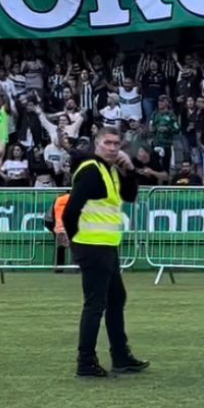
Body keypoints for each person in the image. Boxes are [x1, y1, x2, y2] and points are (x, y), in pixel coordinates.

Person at [62, 127, 149, 379]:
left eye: (116, 143)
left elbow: (130, 196)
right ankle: (86, 361)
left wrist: (130, 169)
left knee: (115, 300)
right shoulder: (91, 170)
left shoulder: (108, 170)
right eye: (107, 143)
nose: (113, 148)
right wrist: (76, 244)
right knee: (96, 305)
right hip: (93, 246)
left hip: (106, 246)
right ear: (96, 145)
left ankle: (120, 356)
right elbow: (71, 210)